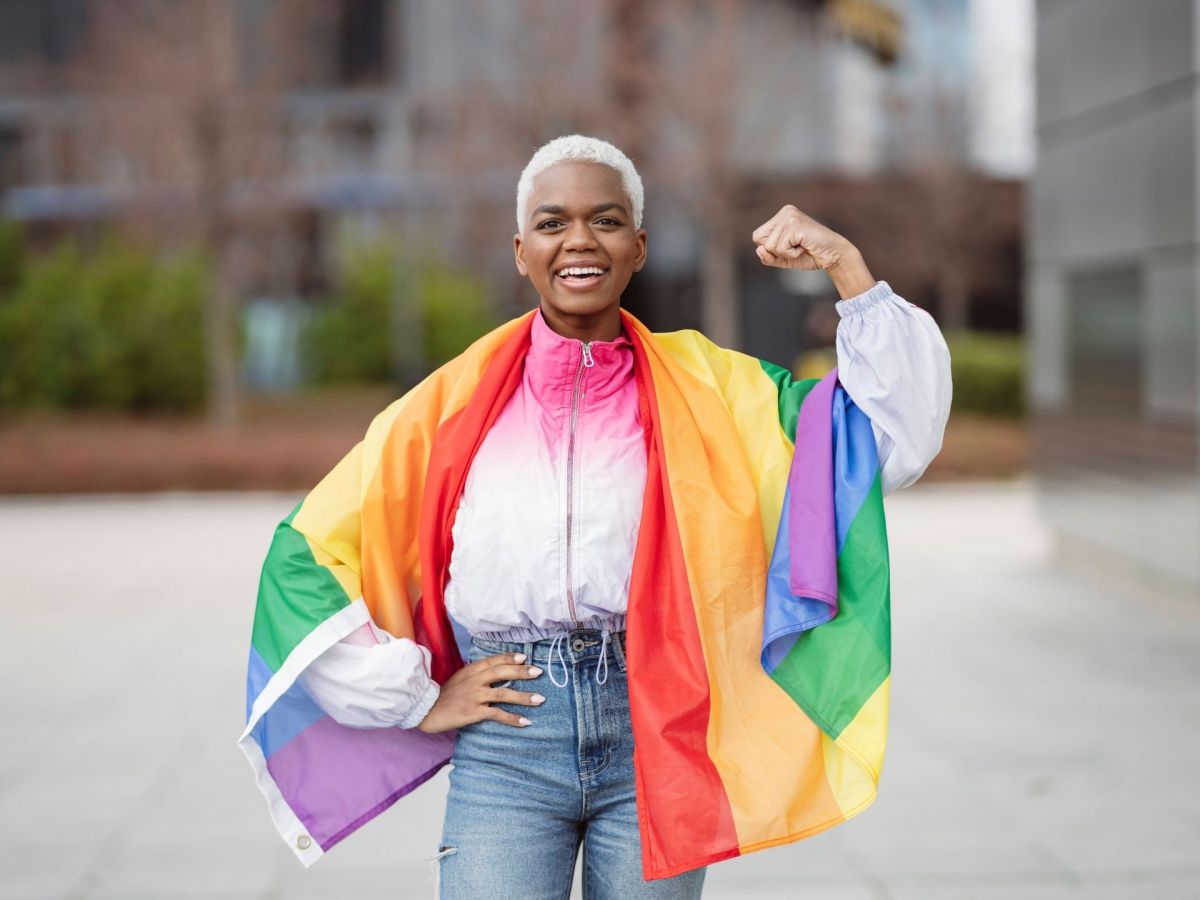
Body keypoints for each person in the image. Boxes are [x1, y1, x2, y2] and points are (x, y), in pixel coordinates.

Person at [245, 134, 952, 899]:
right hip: (510, 737)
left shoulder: (718, 391)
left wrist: (846, 267)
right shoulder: (446, 408)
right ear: (521, 251)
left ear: (639, 246)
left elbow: (881, 441)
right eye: (552, 224)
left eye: (606, 221)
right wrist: (417, 696)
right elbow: (304, 555)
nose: (579, 240)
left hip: (659, 729)